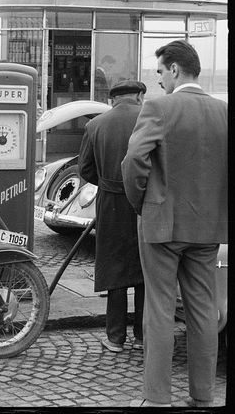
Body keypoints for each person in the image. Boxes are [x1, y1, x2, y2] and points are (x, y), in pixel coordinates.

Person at [122, 40, 227, 408]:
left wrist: (142, 203)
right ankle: (203, 396)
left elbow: (134, 160)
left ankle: (157, 398)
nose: (159, 79)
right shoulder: (224, 112)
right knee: (203, 310)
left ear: (176, 70)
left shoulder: (159, 107)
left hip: (161, 226)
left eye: (161, 72)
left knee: (160, 309)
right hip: (208, 228)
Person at [78, 80, 147, 354]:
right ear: (139, 95)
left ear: (113, 99)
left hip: (110, 203)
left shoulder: (95, 125)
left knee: (115, 268)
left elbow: (85, 169)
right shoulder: (150, 119)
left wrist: (108, 183)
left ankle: (115, 338)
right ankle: (143, 336)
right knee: (145, 269)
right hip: (144, 201)